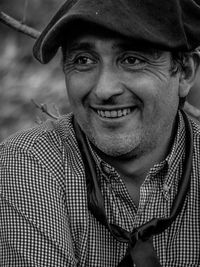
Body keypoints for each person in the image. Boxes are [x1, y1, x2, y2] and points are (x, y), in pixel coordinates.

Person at [1, 0, 200, 266]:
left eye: (132, 59)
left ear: (185, 72)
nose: (104, 90)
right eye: (83, 60)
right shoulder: (28, 163)